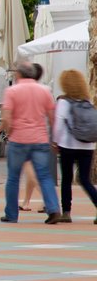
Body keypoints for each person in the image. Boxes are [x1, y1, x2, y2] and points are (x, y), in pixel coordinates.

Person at [0, 60, 61, 223]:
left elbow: (7, 117)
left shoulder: (12, 91)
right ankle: (53, 209)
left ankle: (11, 214)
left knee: (14, 178)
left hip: (19, 139)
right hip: (40, 139)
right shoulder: (45, 91)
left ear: (19, 74)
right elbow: (52, 117)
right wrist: (54, 139)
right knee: (44, 175)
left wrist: (9, 133)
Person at [52, 69, 97, 223]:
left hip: (68, 145)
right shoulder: (87, 102)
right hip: (88, 146)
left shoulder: (63, 102)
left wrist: (55, 141)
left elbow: (58, 125)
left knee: (67, 178)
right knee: (85, 179)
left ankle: (66, 212)